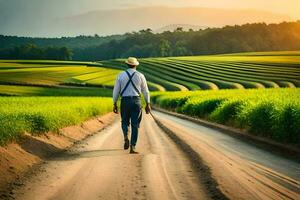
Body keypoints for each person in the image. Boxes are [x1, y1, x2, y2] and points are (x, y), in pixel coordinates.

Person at [112, 57, 151, 154]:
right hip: (136, 101)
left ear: (127, 64)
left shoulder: (120, 75)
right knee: (135, 124)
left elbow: (116, 91)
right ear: (136, 65)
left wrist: (115, 103)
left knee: (124, 122)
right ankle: (133, 147)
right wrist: (148, 103)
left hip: (125, 101)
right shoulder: (140, 75)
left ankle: (126, 136)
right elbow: (145, 91)